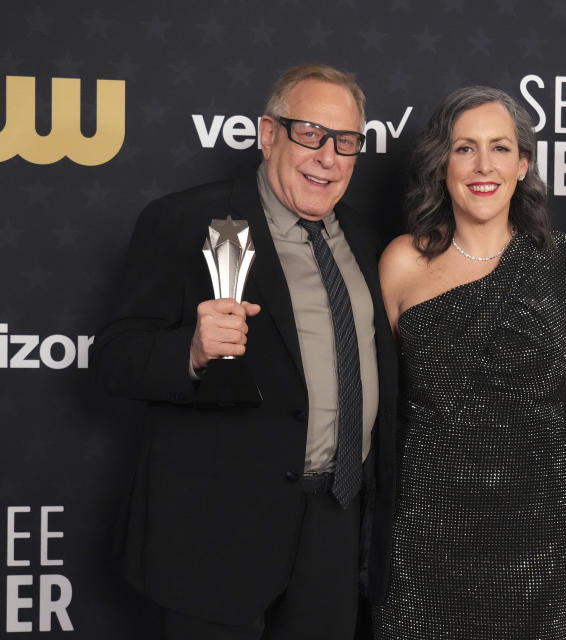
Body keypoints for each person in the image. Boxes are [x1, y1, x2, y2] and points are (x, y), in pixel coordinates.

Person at [91, 64, 397, 639]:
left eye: (346, 141)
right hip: (215, 534)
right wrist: (191, 351)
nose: (327, 156)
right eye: (309, 133)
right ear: (268, 134)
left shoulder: (367, 238)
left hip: (334, 524)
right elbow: (113, 357)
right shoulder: (186, 220)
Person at [372, 85, 566, 639]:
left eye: (500, 148)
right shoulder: (403, 261)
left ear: (523, 164)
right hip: (427, 529)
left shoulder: (559, 258)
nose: (483, 165)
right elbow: (371, 397)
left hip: (535, 536)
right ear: (440, 164)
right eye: (464, 148)